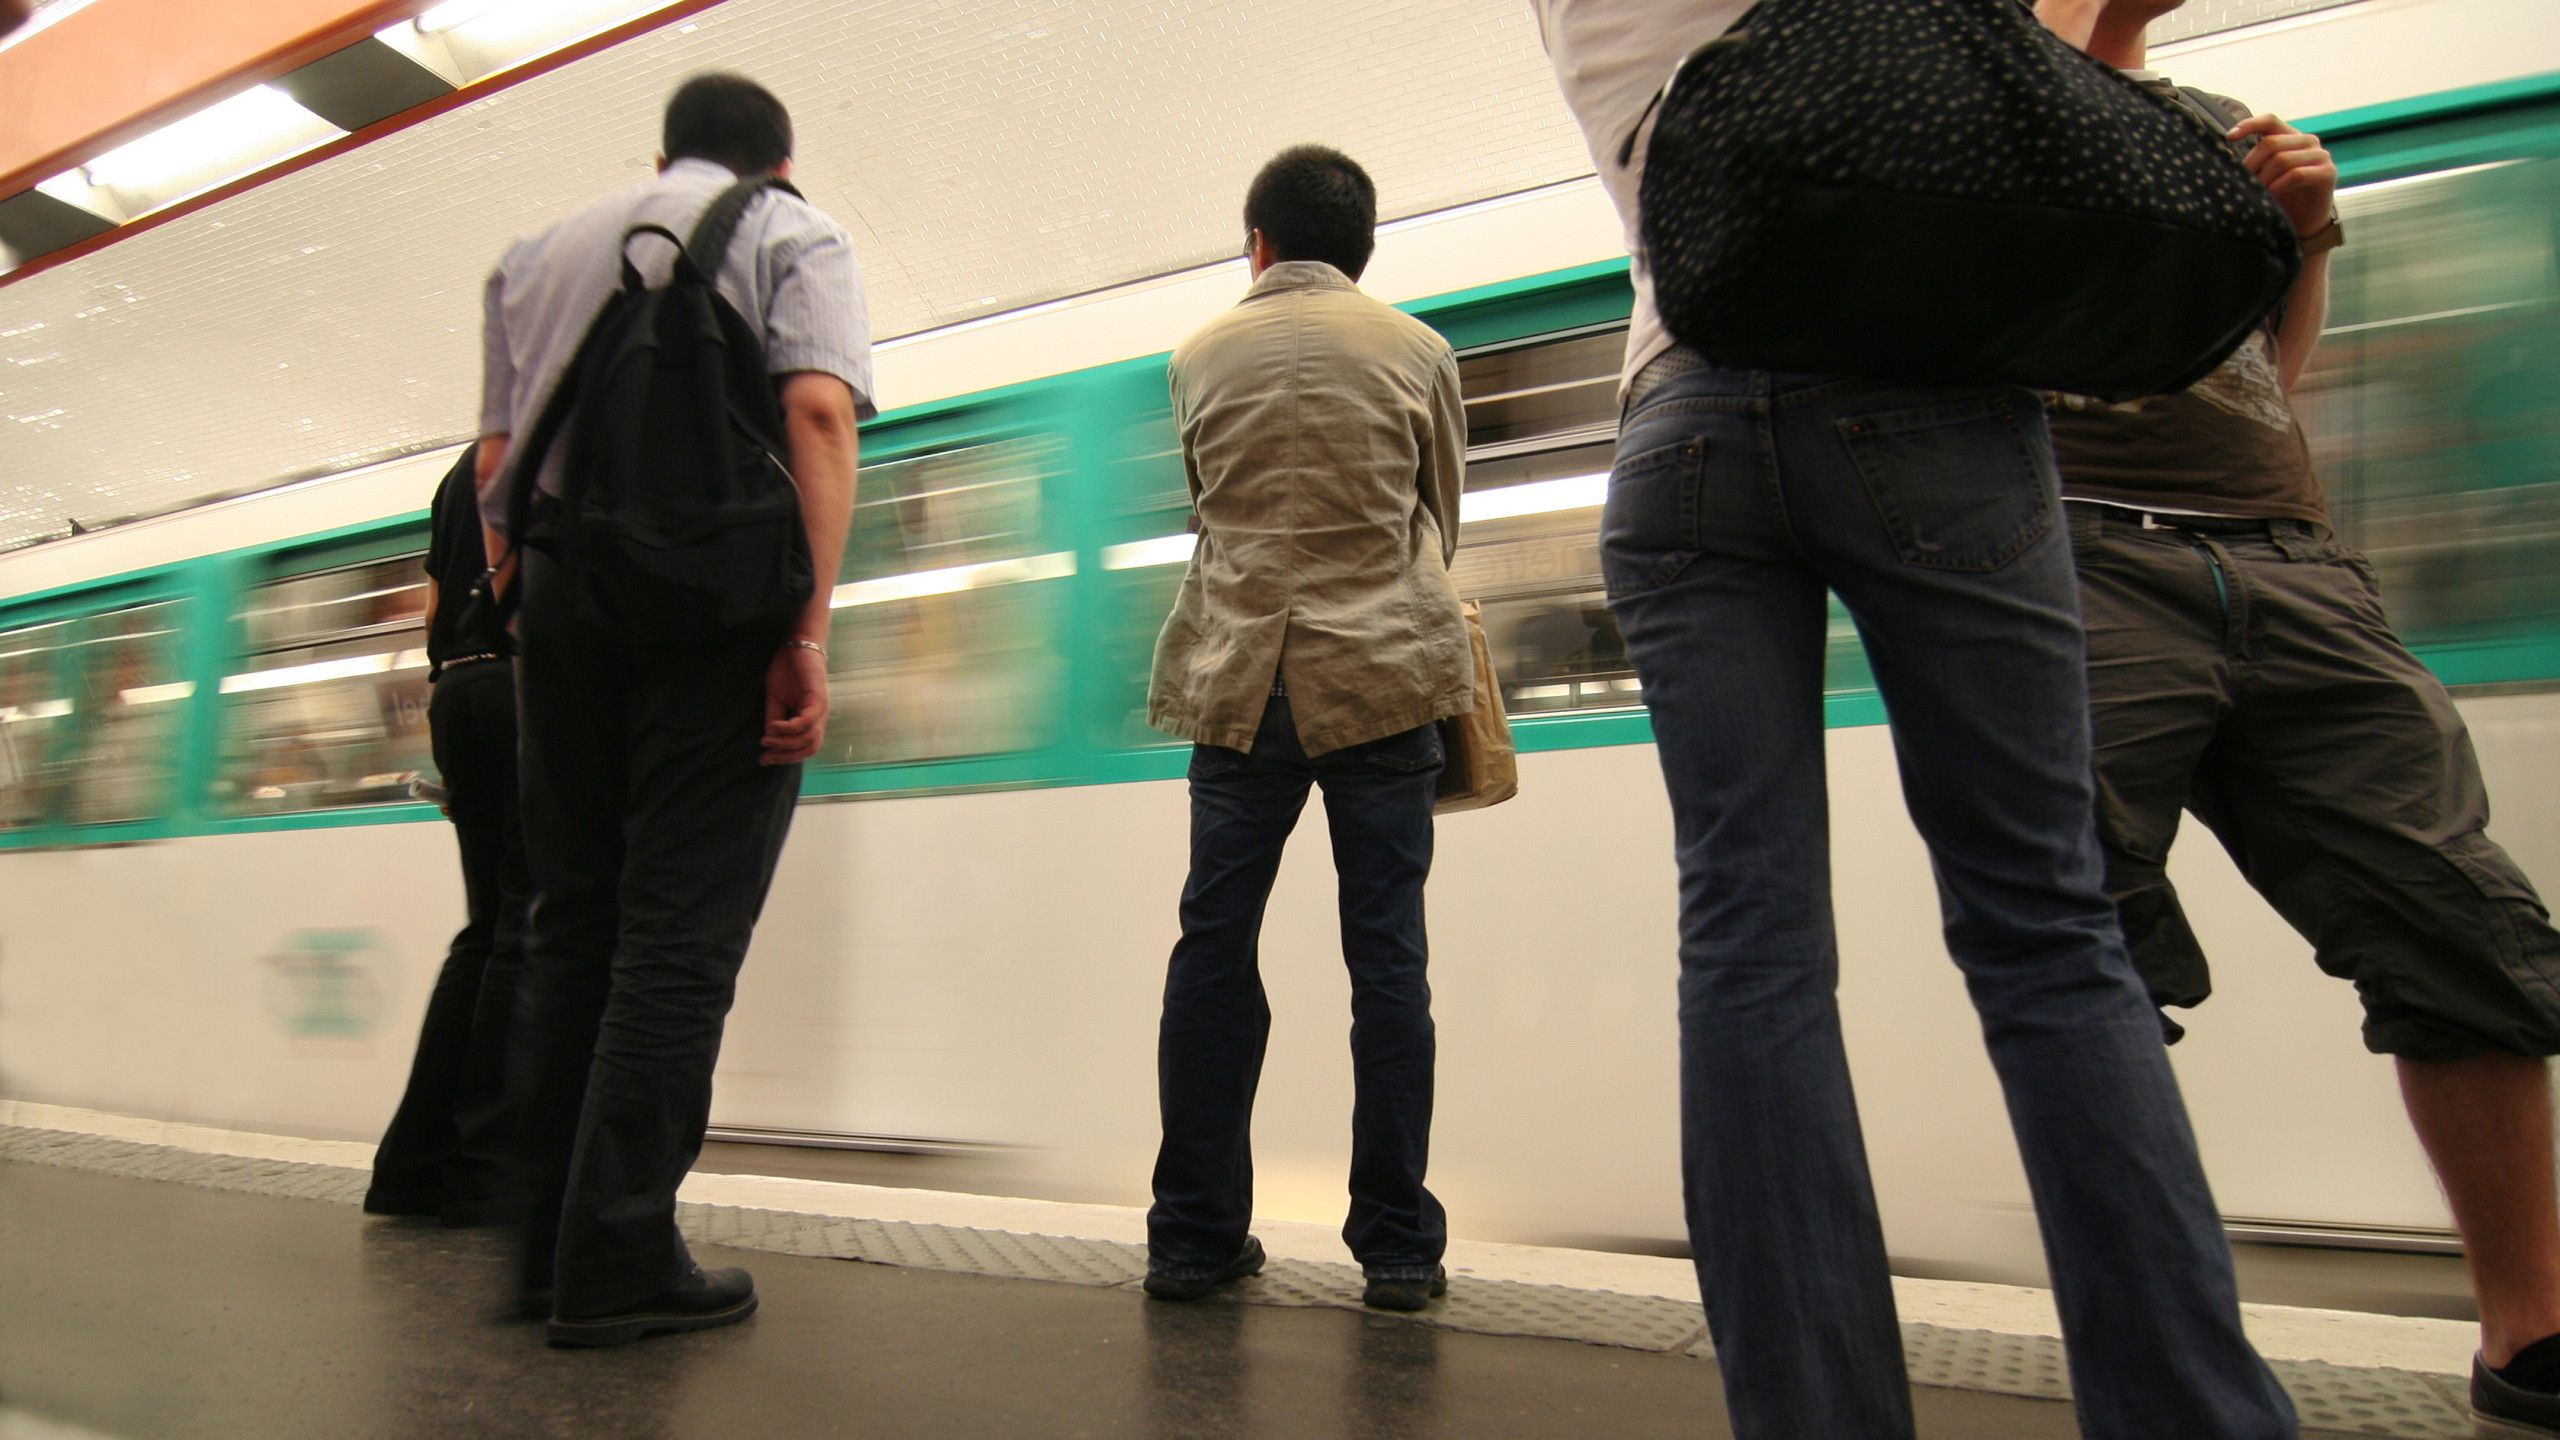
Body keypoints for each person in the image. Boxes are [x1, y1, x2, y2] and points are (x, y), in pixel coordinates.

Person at [1531, 4, 2298, 1437]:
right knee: (2046, 926)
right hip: (1926, 404)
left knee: (1746, 941)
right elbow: (2006, 76)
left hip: (1678, 417)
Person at [2041, 4, 2560, 1434]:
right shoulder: (1973, 91)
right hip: (2075, 546)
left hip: (2287, 552)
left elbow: (2267, 374)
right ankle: (2159, 1360)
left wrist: (2305, 242)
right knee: (2083, 948)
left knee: (2456, 912)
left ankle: (2532, 1336)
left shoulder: (2222, 123)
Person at [476, 72, 866, 1347]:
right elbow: (816, 413)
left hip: (562, 603)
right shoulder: (794, 232)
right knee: (676, 939)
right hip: (715, 612)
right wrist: (802, 633)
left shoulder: (531, 255)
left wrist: (523, 606)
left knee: (568, 925)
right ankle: (619, 1255)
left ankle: (541, 1254)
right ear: (777, 164)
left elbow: (497, 463)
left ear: (662, 157)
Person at [1142, 145, 1472, 1314]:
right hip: (1382, 681)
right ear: (1362, 250)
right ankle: (1396, 1248)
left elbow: (1207, 509)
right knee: (1387, 963)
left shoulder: (1196, 355)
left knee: (1213, 951)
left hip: (1239, 686)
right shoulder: (1419, 350)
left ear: (1258, 243)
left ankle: (1192, 1239)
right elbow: (1440, 517)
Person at [363, 443, 531, 1227]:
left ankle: (412, 1168)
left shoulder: (462, 468)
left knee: (488, 932)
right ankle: (482, 1169)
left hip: (457, 688)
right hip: (521, 684)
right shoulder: (557, 430)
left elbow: (435, 611)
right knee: (528, 932)